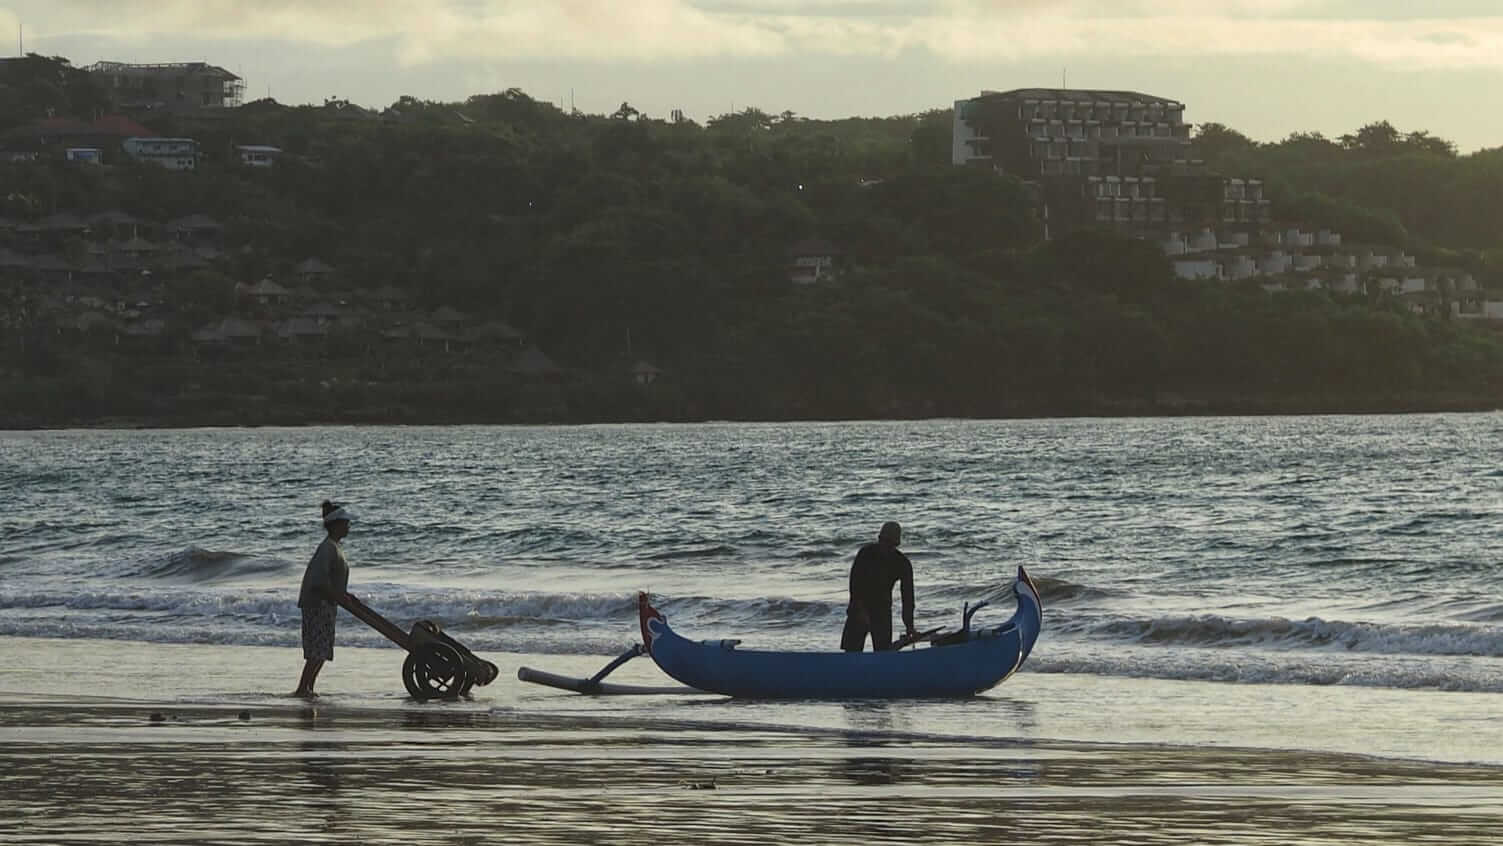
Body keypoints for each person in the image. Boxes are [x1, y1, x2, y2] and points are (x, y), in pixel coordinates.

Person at [293, 500, 354, 697]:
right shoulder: (328, 548)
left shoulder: (334, 547)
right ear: (336, 524)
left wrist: (343, 596)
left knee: (322, 649)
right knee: (318, 650)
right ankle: (303, 688)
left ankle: (308, 688)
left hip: (326, 603)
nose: (348, 526)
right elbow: (319, 581)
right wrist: (337, 596)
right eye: (345, 522)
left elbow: (331, 581)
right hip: (318, 604)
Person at [840, 521, 916, 652]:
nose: (885, 546)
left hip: (882, 610)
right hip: (859, 606)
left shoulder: (902, 563)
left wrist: (909, 625)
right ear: (879, 539)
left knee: (883, 652)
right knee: (851, 652)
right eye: (884, 541)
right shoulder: (866, 553)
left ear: (896, 544)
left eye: (890, 543)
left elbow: (908, 597)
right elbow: (854, 584)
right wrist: (860, 609)